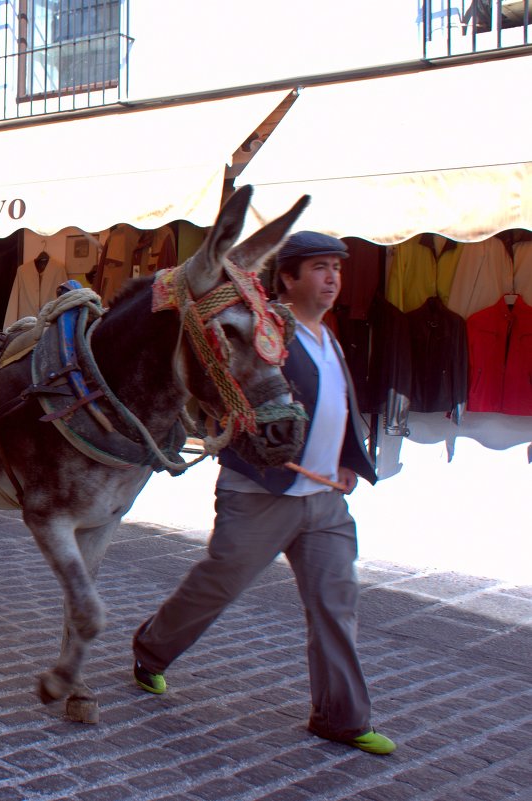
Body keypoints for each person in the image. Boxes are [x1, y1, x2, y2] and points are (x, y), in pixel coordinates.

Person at [132, 231, 395, 756]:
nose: (331, 278)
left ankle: (341, 717)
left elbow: (339, 408)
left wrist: (347, 461)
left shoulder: (329, 337)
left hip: (323, 502)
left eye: (336, 269)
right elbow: (228, 397)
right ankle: (152, 651)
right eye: (319, 268)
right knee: (219, 583)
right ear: (289, 279)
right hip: (259, 492)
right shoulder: (264, 329)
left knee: (335, 603)